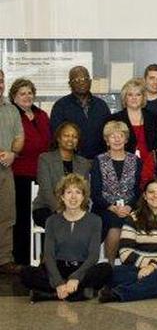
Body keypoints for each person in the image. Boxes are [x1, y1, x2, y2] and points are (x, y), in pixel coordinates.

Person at [20, 174, 112, 302]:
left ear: (84, 197)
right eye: (69, 192)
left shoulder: (95, 220)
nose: (73, 197)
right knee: (26, 273)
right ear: (62, 197)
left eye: (78, 192)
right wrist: (58, 282)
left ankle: (50, 294)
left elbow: (93, 256)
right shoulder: (52, 221)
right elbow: (49, 255)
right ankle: (77, 293)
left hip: (82, 268)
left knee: (106, 269)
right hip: (57, 268)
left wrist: (76, 277)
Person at [98, 178, 157, 303]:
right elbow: (124, 252)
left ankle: (121, 293)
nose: (155, 196)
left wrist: (153, 267)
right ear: (145, 196)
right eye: (151, 192)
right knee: (115, 273)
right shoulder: (133, 218)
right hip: (139, 266)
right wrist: (146, 266)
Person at [9, 78, 51, 266]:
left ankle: (42, 257)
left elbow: (50, 142)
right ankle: (22, 259)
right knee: (22, 218)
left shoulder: (41, 114)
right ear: (14, 97)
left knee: (41, 214)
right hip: (20, 174)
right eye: (22, 93)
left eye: (29, 92)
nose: (27, 96)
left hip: (42, 174)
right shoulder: (11, 115)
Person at [90, 121, 142, 263]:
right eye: (112, 136)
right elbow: (95, 192)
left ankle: (129, 268)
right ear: (107, 140)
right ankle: (110, 268)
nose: (117, 139)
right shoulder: (98, 160)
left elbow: (139, 190)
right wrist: (112, 207)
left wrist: (129, 206)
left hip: (130, 207)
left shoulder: (135, 160)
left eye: (120, 135)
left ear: (126, 139)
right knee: (114, 224)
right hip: (104, 207)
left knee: (124, 222)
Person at [33, 122, 91, 228]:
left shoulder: (84, 163)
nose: (70, 139)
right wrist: (62, 210)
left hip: (77, 208)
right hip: (48, 207)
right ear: (58, 138)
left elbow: (85, 191)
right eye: (66, 135)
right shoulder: (45, 159)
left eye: (74, 137)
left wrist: (76, 210)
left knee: (91, 223)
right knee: (59, 223)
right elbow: (46, 191)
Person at [49, 66, 110, 159]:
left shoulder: (101, 105)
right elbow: (57, 135)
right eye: (76, 80)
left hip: (99, 160)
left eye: (85, 79)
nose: (81, 82)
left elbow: (109, 132)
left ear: (90, 82)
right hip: (72, 160)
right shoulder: (61, 106)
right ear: (70, 84)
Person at [0, 69, 24, 275]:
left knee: (7, 215)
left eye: (1, 81)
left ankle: (4, 259)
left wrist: (13, 153)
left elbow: (19, 137)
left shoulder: (11, 110)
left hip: (5, 169)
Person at [109, 78, 157, 161]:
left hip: (151, 166)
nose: (134, 98)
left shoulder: (154, 118)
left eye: (138, 94)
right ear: (125, 97)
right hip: (125, 166)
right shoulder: (115, 119)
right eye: (130, 95)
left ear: (143, 97)